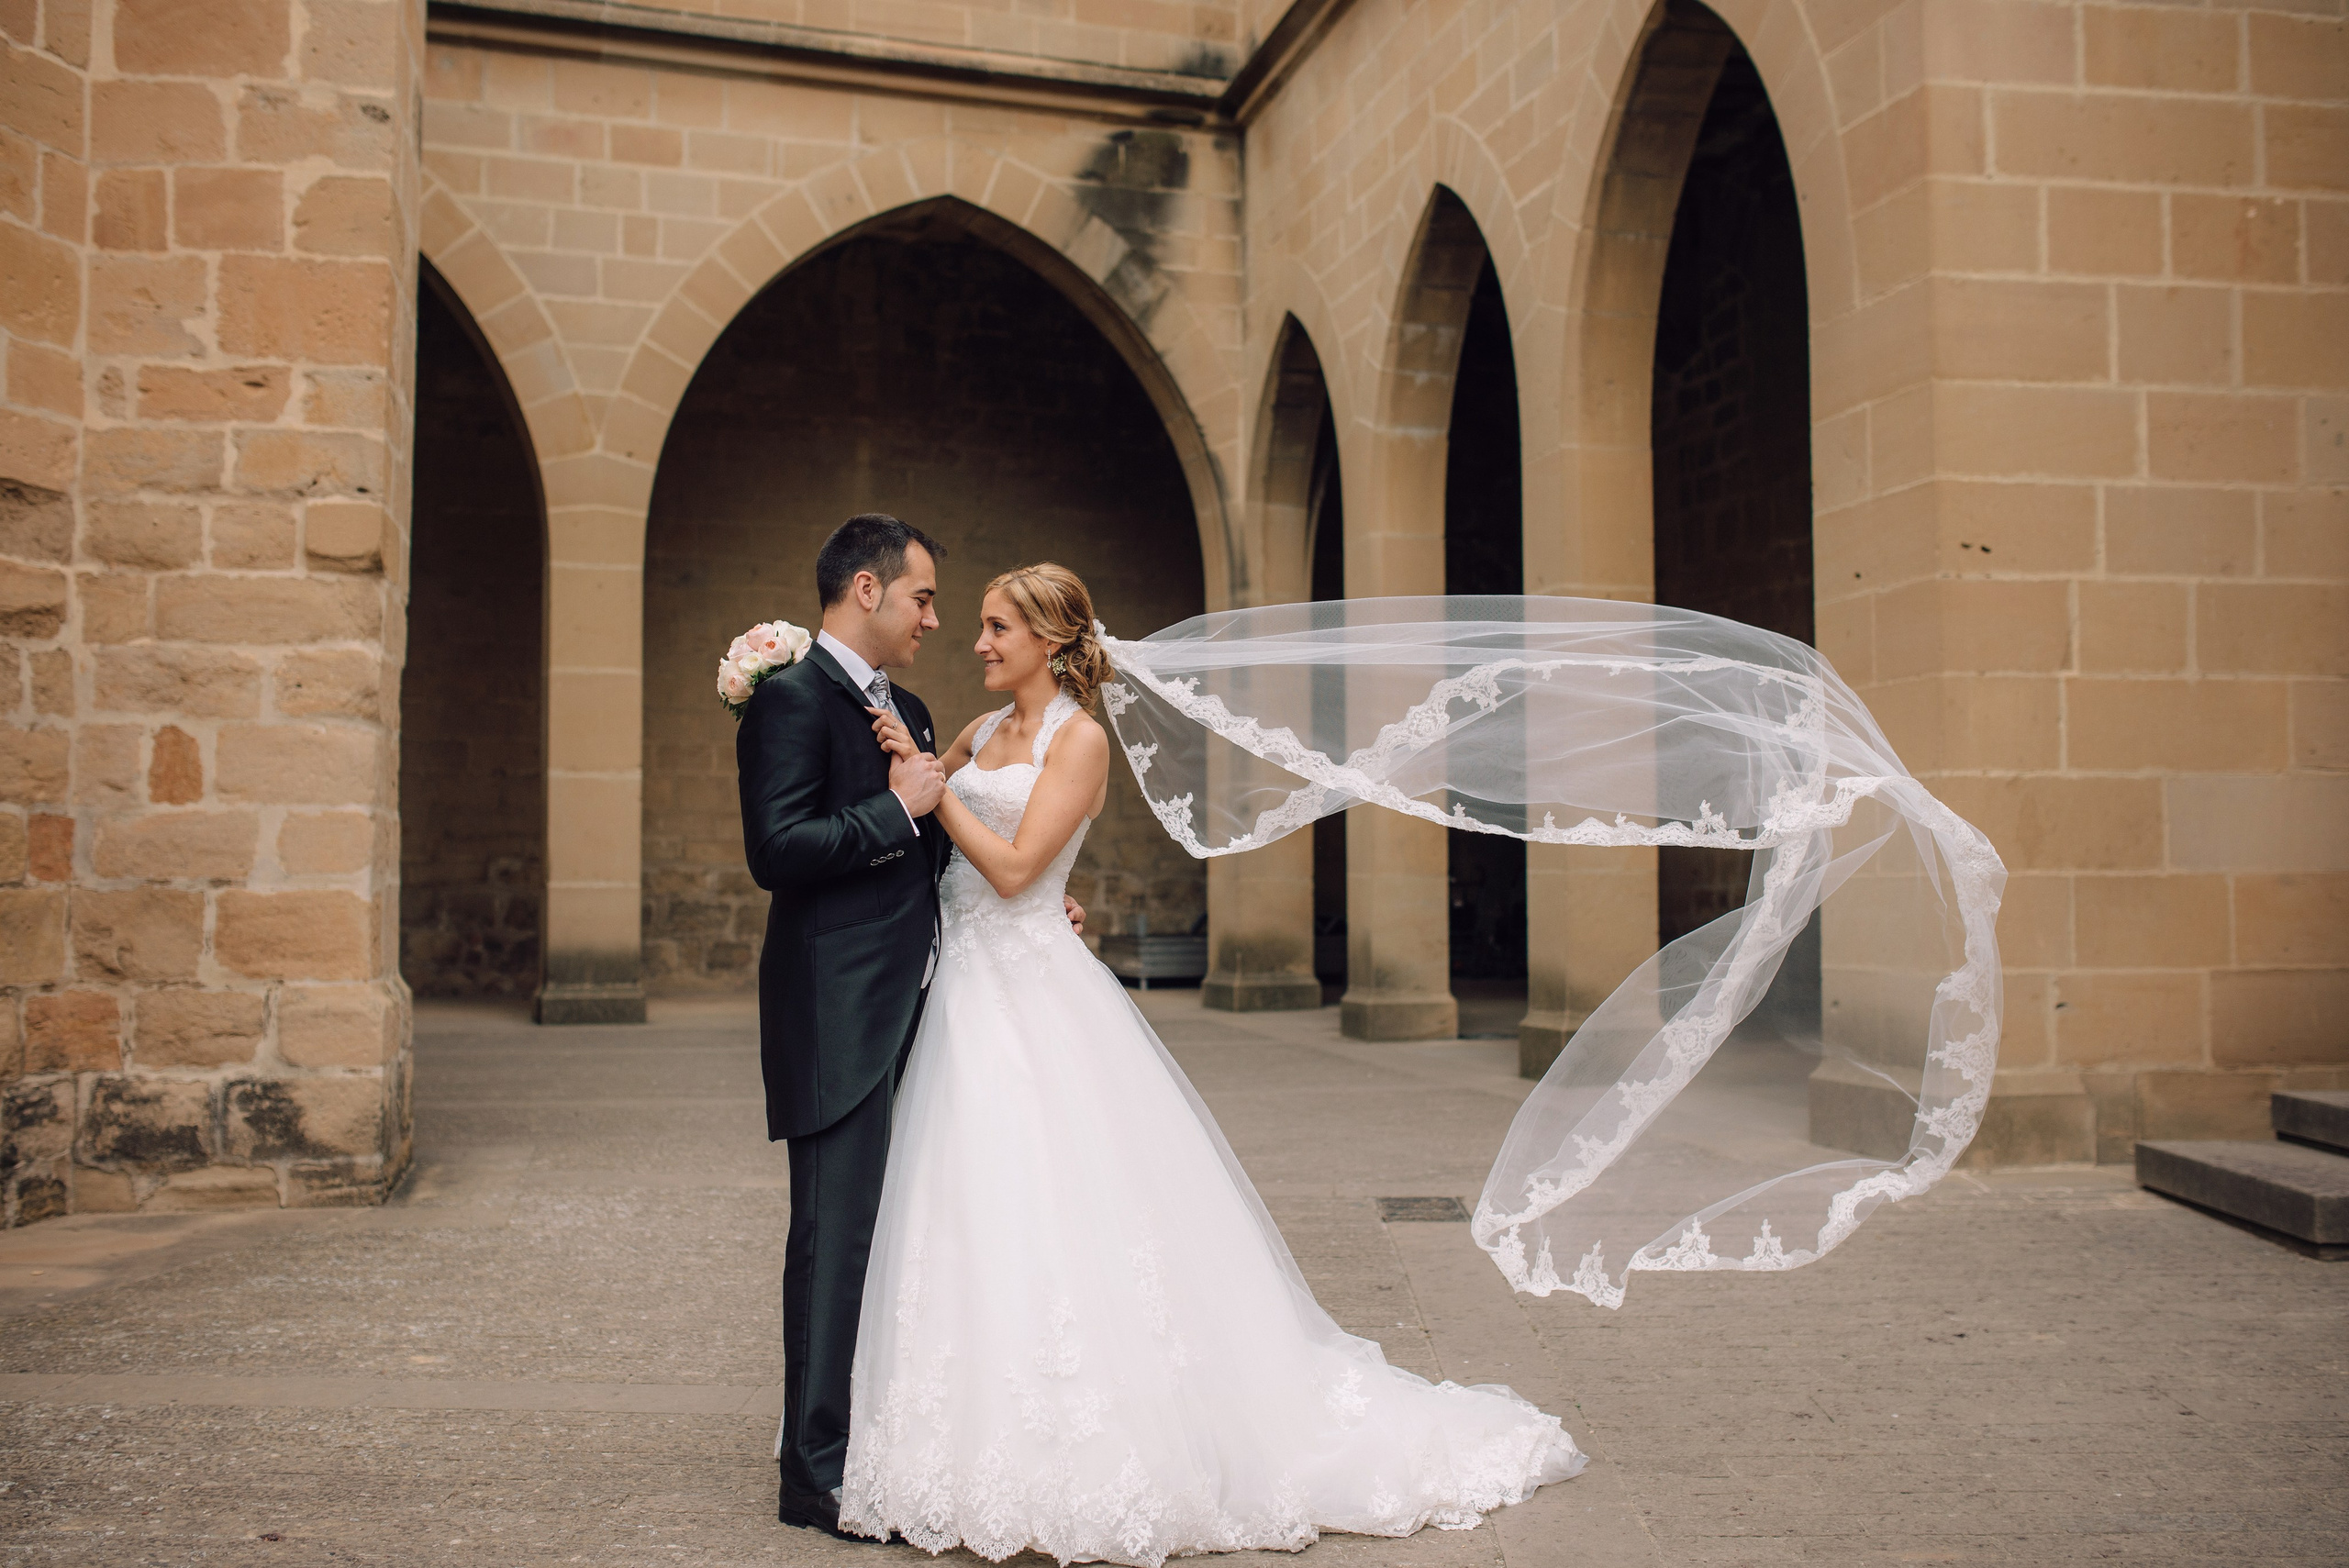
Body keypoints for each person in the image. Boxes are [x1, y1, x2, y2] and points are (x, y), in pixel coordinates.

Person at [844, 562, 1582, 1564]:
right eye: (977, 624)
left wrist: (935, 804)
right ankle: (955, 1437)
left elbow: (1014, 871)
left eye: (997, 627)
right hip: (966, 990)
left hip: (1034, 991)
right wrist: (927, 788)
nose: (978, 642)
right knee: (966, 1198)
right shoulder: (975, 734)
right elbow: (957, 859)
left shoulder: (1080, 739)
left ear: (1050, 641)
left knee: (1059, 1195)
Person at [735, 517, 1085, 1536]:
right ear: (866, 589)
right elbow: (776, 849)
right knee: (833, 1236)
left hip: (932, 1006)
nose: (937, 619)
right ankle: (813, 1474)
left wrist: (1038, 901)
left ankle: (873, 1439)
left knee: (902, 1240)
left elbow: (941, 856)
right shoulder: (791, 697)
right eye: (924, 598)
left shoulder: (915, 708)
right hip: (838, 1012)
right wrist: (894, 809)